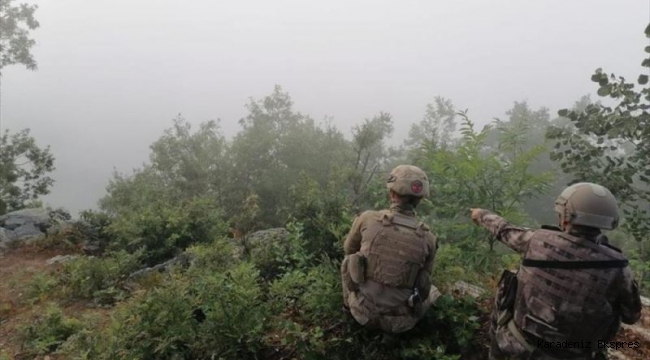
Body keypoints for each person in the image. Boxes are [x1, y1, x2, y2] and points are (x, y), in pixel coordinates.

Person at [470, 182, 642, 360]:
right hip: (576, 355)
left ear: (566, 214)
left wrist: (481, 214)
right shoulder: (617, 266)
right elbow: (631, 315)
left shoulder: (537, 241)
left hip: (518, 348)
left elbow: (504, 229)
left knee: (509, 282)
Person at [340, 165, 440, 334]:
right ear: (420, 199)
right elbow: (424, 279)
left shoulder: (368, 218)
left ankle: (346, 305)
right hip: (401, 323)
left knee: (349, 260)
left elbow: (349, 248)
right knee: (433, 290)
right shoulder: (428, 237)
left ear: (392, 193)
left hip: (361, 312)